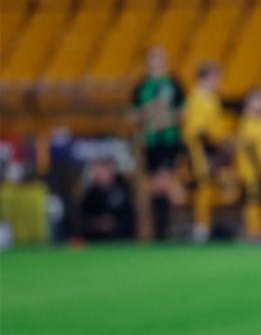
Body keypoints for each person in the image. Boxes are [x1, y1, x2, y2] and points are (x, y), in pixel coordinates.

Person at [129, 46, 185, 241]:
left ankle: (171, 227)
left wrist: (164, 118)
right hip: (150, 142)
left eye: (159, 58)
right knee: (154, 185)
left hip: (169, 140)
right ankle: (157, 230)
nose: (156, 62)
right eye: (153, 59)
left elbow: (183, 111)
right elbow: (132, 113)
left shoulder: (173, 83)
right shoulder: (142, 86)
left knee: (168, 182)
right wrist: (148, 114)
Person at [181, 62, 231, 242]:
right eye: (216, 77)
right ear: (207, 77)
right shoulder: (196, 98)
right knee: (202, 185)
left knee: (209, 187)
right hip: (202, 148)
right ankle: (201, 227)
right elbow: (197, 130)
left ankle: (207, 225)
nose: (218, 81)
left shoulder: (211, 97)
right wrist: (210, 151)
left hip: (213, 146)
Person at [235, 88, 261, 241]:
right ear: (249, 104)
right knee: (252, 201)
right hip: (251, 171)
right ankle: (254, 233)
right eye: (257, 101)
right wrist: (258, 167)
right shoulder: (246, 122)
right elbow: (249, 148)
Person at [80, 158, 135, 241]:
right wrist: (98, 223)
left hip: (121, 237)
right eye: (102, 170)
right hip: (95, 238)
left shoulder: (122, 189)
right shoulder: (90, 194)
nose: (105, 173)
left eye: (108, 169)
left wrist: (114, 222)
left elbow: (129, 214)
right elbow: (84, 217)